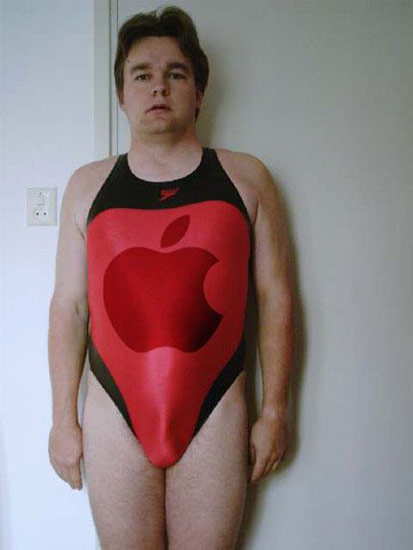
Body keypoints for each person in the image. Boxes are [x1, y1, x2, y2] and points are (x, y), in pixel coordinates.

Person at [47, 5, 294, 549]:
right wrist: (62, 420)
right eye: (142, 75)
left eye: (175, 74)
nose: (158, 86)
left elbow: (275, 297)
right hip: (113, 410)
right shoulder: (87, 187)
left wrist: (275, 412)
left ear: (199, 91)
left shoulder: (246, 178)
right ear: (122, 94)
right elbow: (69, 306)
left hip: (216, 408)